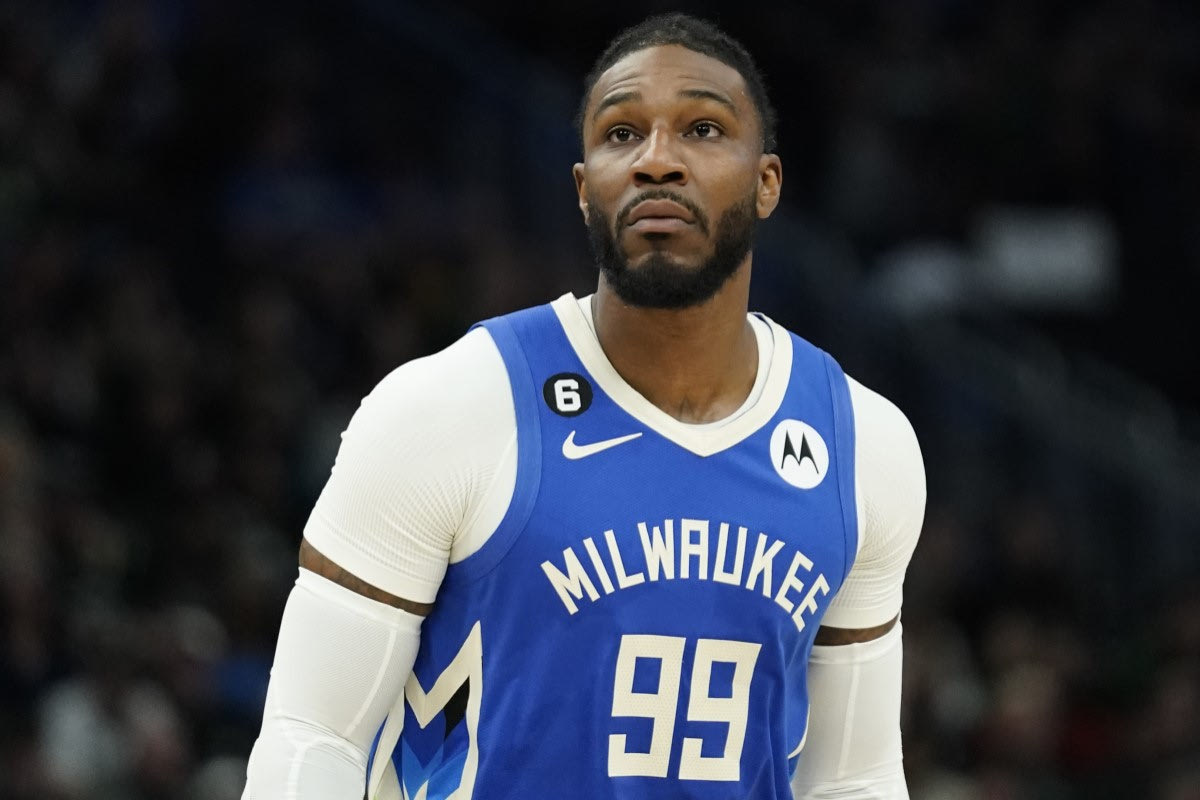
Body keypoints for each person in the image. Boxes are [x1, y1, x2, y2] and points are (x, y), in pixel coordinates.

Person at [242, 12, 924, 800]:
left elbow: (854, 778)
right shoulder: (450, 408)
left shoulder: (864, 445)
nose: (657, 161)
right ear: (583, 188)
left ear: (766, 183)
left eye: (702, 129)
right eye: (621, 134)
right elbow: (313, 736)